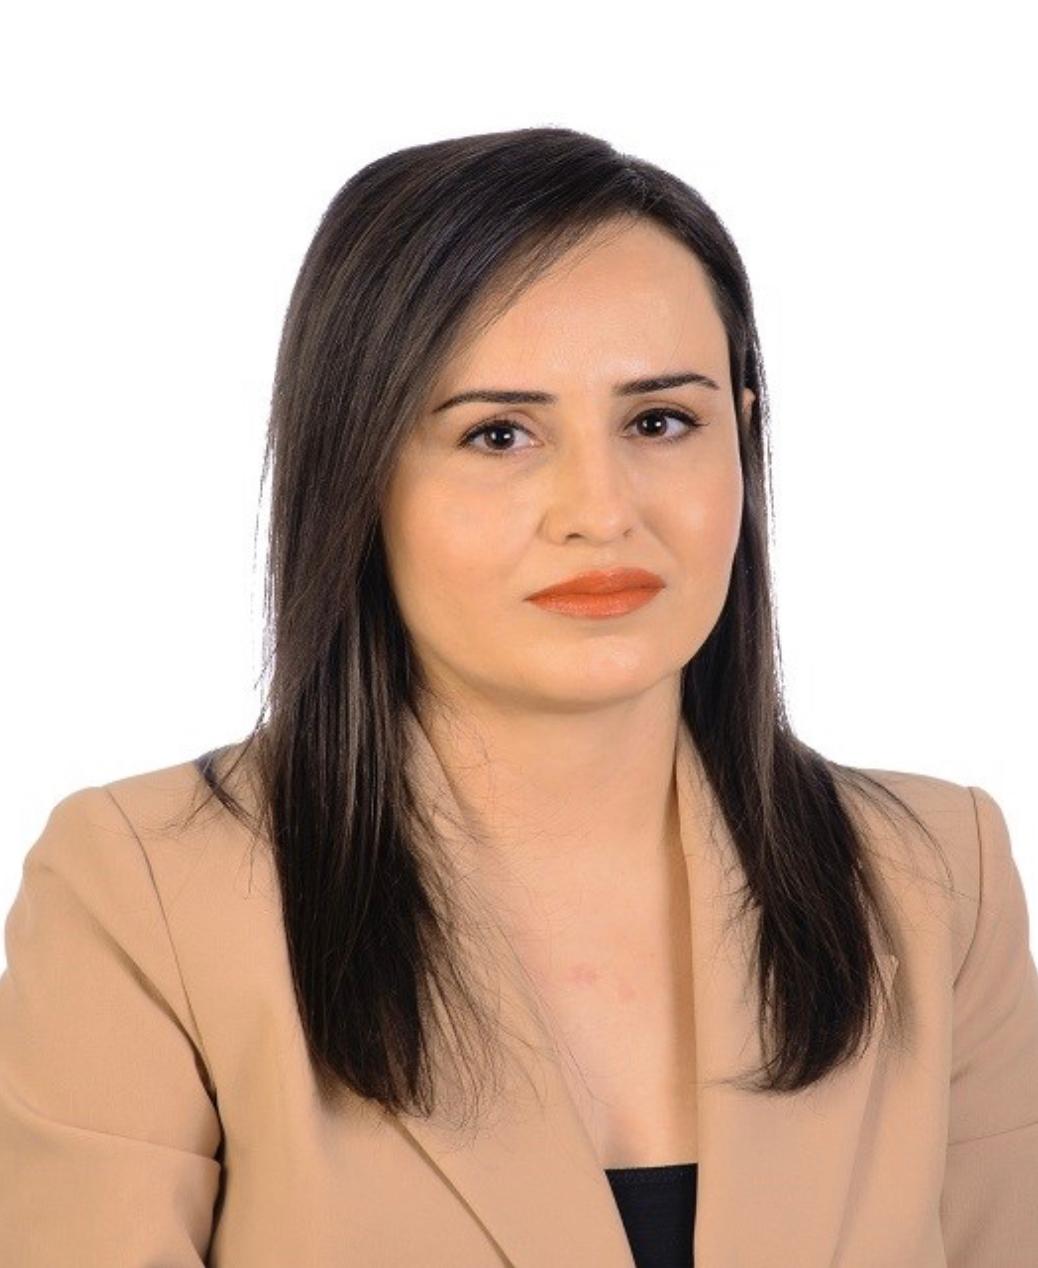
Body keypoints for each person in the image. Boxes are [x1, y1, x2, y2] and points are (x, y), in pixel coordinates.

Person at [2, 127, 1036, 1268]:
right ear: (357, 472)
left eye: (660, 421)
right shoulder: (144, 894)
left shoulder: (938, 878)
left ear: (743, 439)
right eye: (498, 433)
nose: (601, 511)